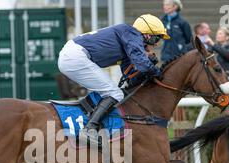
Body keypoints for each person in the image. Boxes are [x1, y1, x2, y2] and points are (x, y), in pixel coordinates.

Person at [58, 14, 168, 144]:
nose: (156, 44)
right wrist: (156, 71)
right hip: (75, 56)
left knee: (112, 92)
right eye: (157, 38)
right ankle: (89, 129)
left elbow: (131, 79)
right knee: (114, 93)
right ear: (148, 35)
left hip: (74, 56)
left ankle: (91, 125)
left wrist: (149, 65)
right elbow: (143, 65)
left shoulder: (129, 41)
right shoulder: (131, 33)